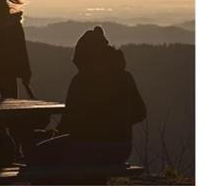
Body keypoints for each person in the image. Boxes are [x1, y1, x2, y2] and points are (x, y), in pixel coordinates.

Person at [26, 26, 147, 165]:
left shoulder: (82, 80)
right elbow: (140, 113)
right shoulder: (125, 77)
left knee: (35, 155)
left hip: (90, 147)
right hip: (122, 150)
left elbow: (69, 124)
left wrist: (49, 134)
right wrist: (117, 123)